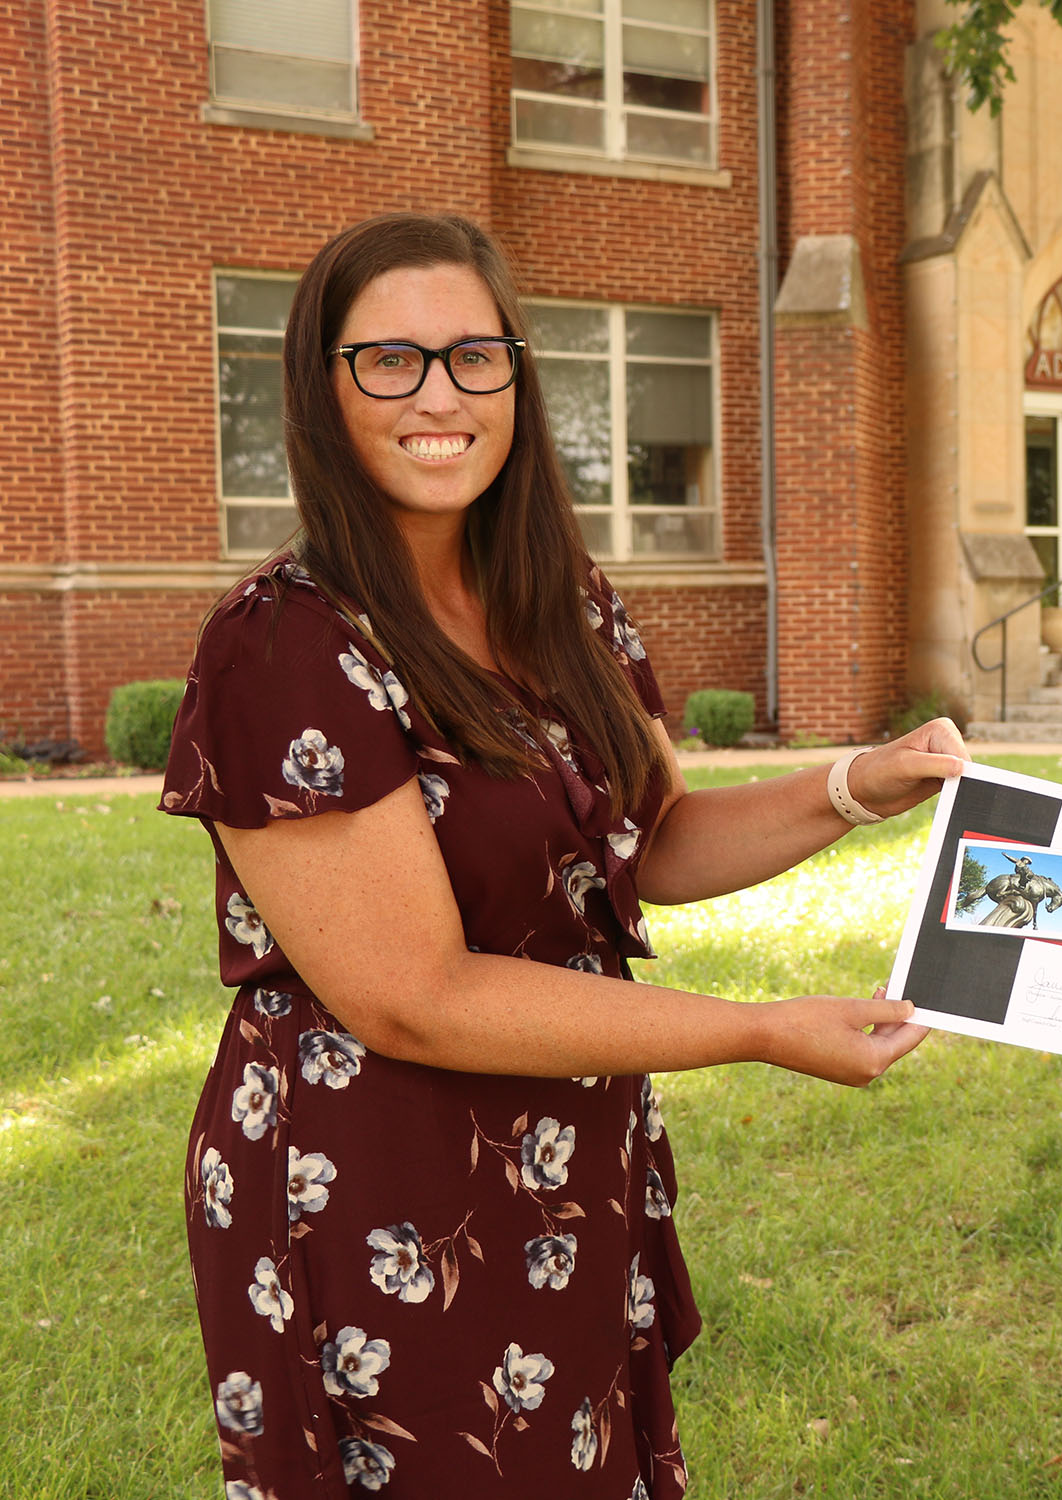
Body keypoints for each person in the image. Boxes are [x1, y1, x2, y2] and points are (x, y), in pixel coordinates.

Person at [161, 212, 964, 1498]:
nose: (440, 395)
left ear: (518, 381)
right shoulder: (285, 645)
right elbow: (409, 994)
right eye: (390, 360)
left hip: (564, 1155)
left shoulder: (561, 601)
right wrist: (757, 1029)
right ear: (324, 388)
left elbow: (650, 840)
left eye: (476, 356)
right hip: (379, 1192)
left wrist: (858, 785)